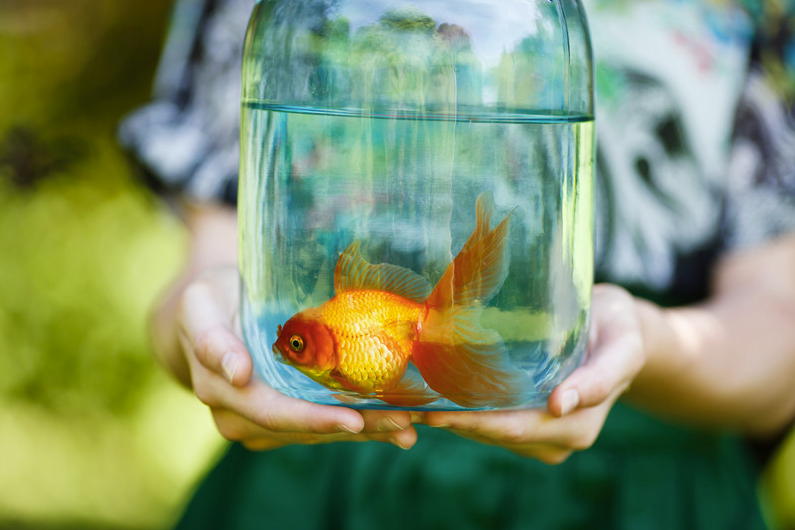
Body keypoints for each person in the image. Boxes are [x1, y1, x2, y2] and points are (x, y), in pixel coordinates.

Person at [120, 0, 795, 527]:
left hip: (642, 498)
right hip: (308, 483)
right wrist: (205, 338)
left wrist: (646, 341)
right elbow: (206, 282)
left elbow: (780, 332)